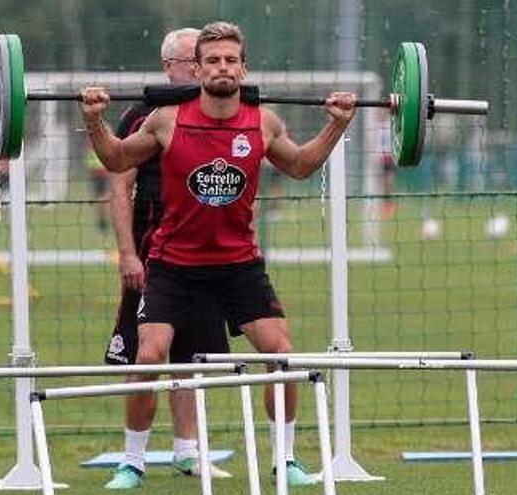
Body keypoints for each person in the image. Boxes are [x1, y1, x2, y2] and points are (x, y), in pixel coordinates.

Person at [80, 21, 357, 486]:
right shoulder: (168, 119)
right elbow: (117, 160)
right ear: (199, 70)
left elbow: (302, 166)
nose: (222, 68)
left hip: (238, 266)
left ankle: (285, 460)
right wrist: (94, 119)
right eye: (212, 61)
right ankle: (132, 462)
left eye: (230, 60)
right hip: (173, 265)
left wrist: (336, 124)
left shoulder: (263, 121)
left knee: (284, 355)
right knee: (150, 358)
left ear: (243, 67)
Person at [102, 28, 233, 489]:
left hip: (205, 254)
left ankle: (187, 454)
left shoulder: (219, 112)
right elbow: (119, 184)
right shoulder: (143, 115)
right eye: (190, 61)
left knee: (193, 357)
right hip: (152, 252)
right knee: (146, 354)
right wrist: (126, 253)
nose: (200, 69)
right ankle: (132, 460)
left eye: (205, 60)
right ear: (168, 66)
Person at [86, 144, 111, 232]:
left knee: (102, 198)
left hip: (99, 174)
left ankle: (102, 220)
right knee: (103, 198)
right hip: (100, 174)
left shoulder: (91, 141)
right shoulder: (95, 141)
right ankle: (103, 220)